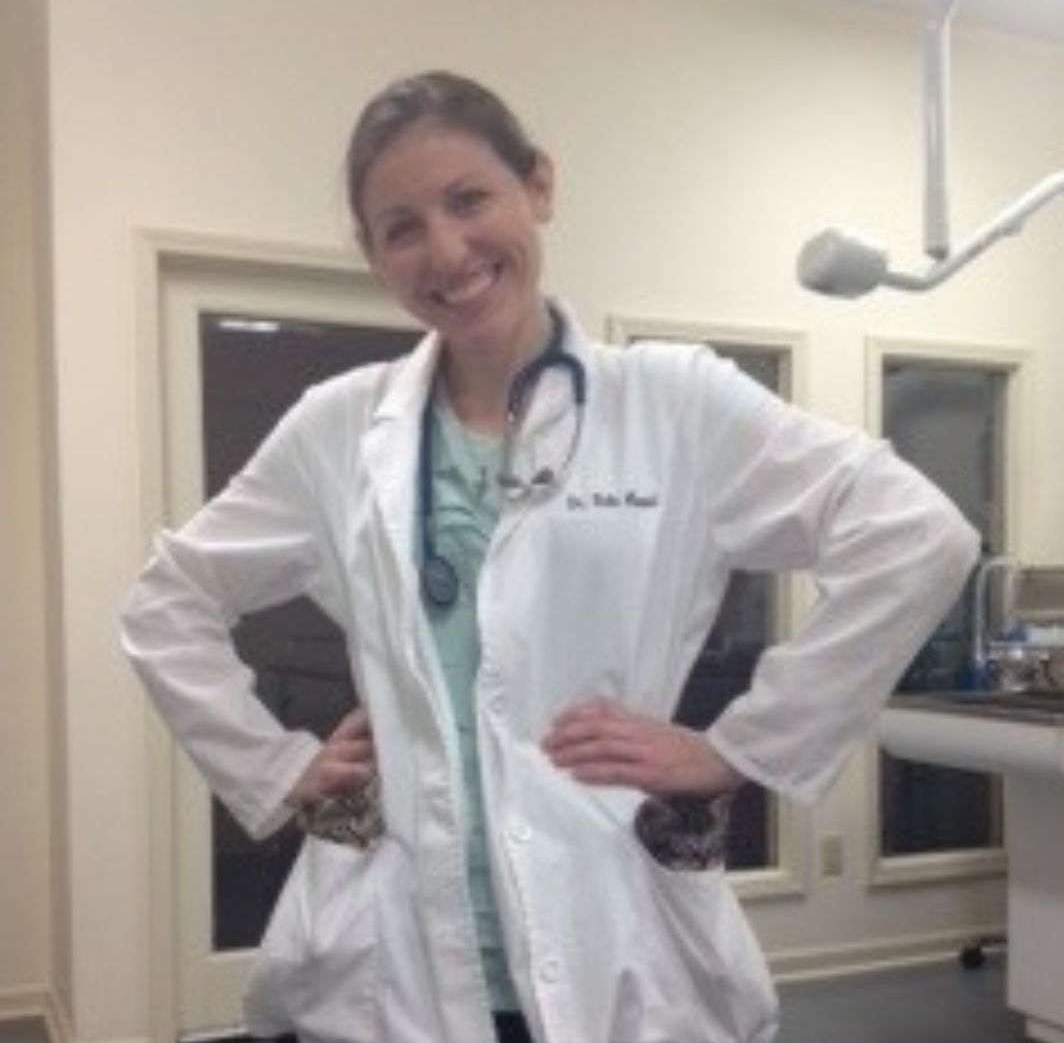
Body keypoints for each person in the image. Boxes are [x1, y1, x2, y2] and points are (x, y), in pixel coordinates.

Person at [121, 70, 979, 1043]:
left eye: (468, 199)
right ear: (375, 255)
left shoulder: (673, 404)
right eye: (401, 228)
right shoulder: (338, 431)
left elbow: (918, 537)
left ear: (539, 186)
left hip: (616, 936)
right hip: (390, 960)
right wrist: (275, 766)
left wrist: (741, 746)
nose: (446, 250)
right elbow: (166, 602)